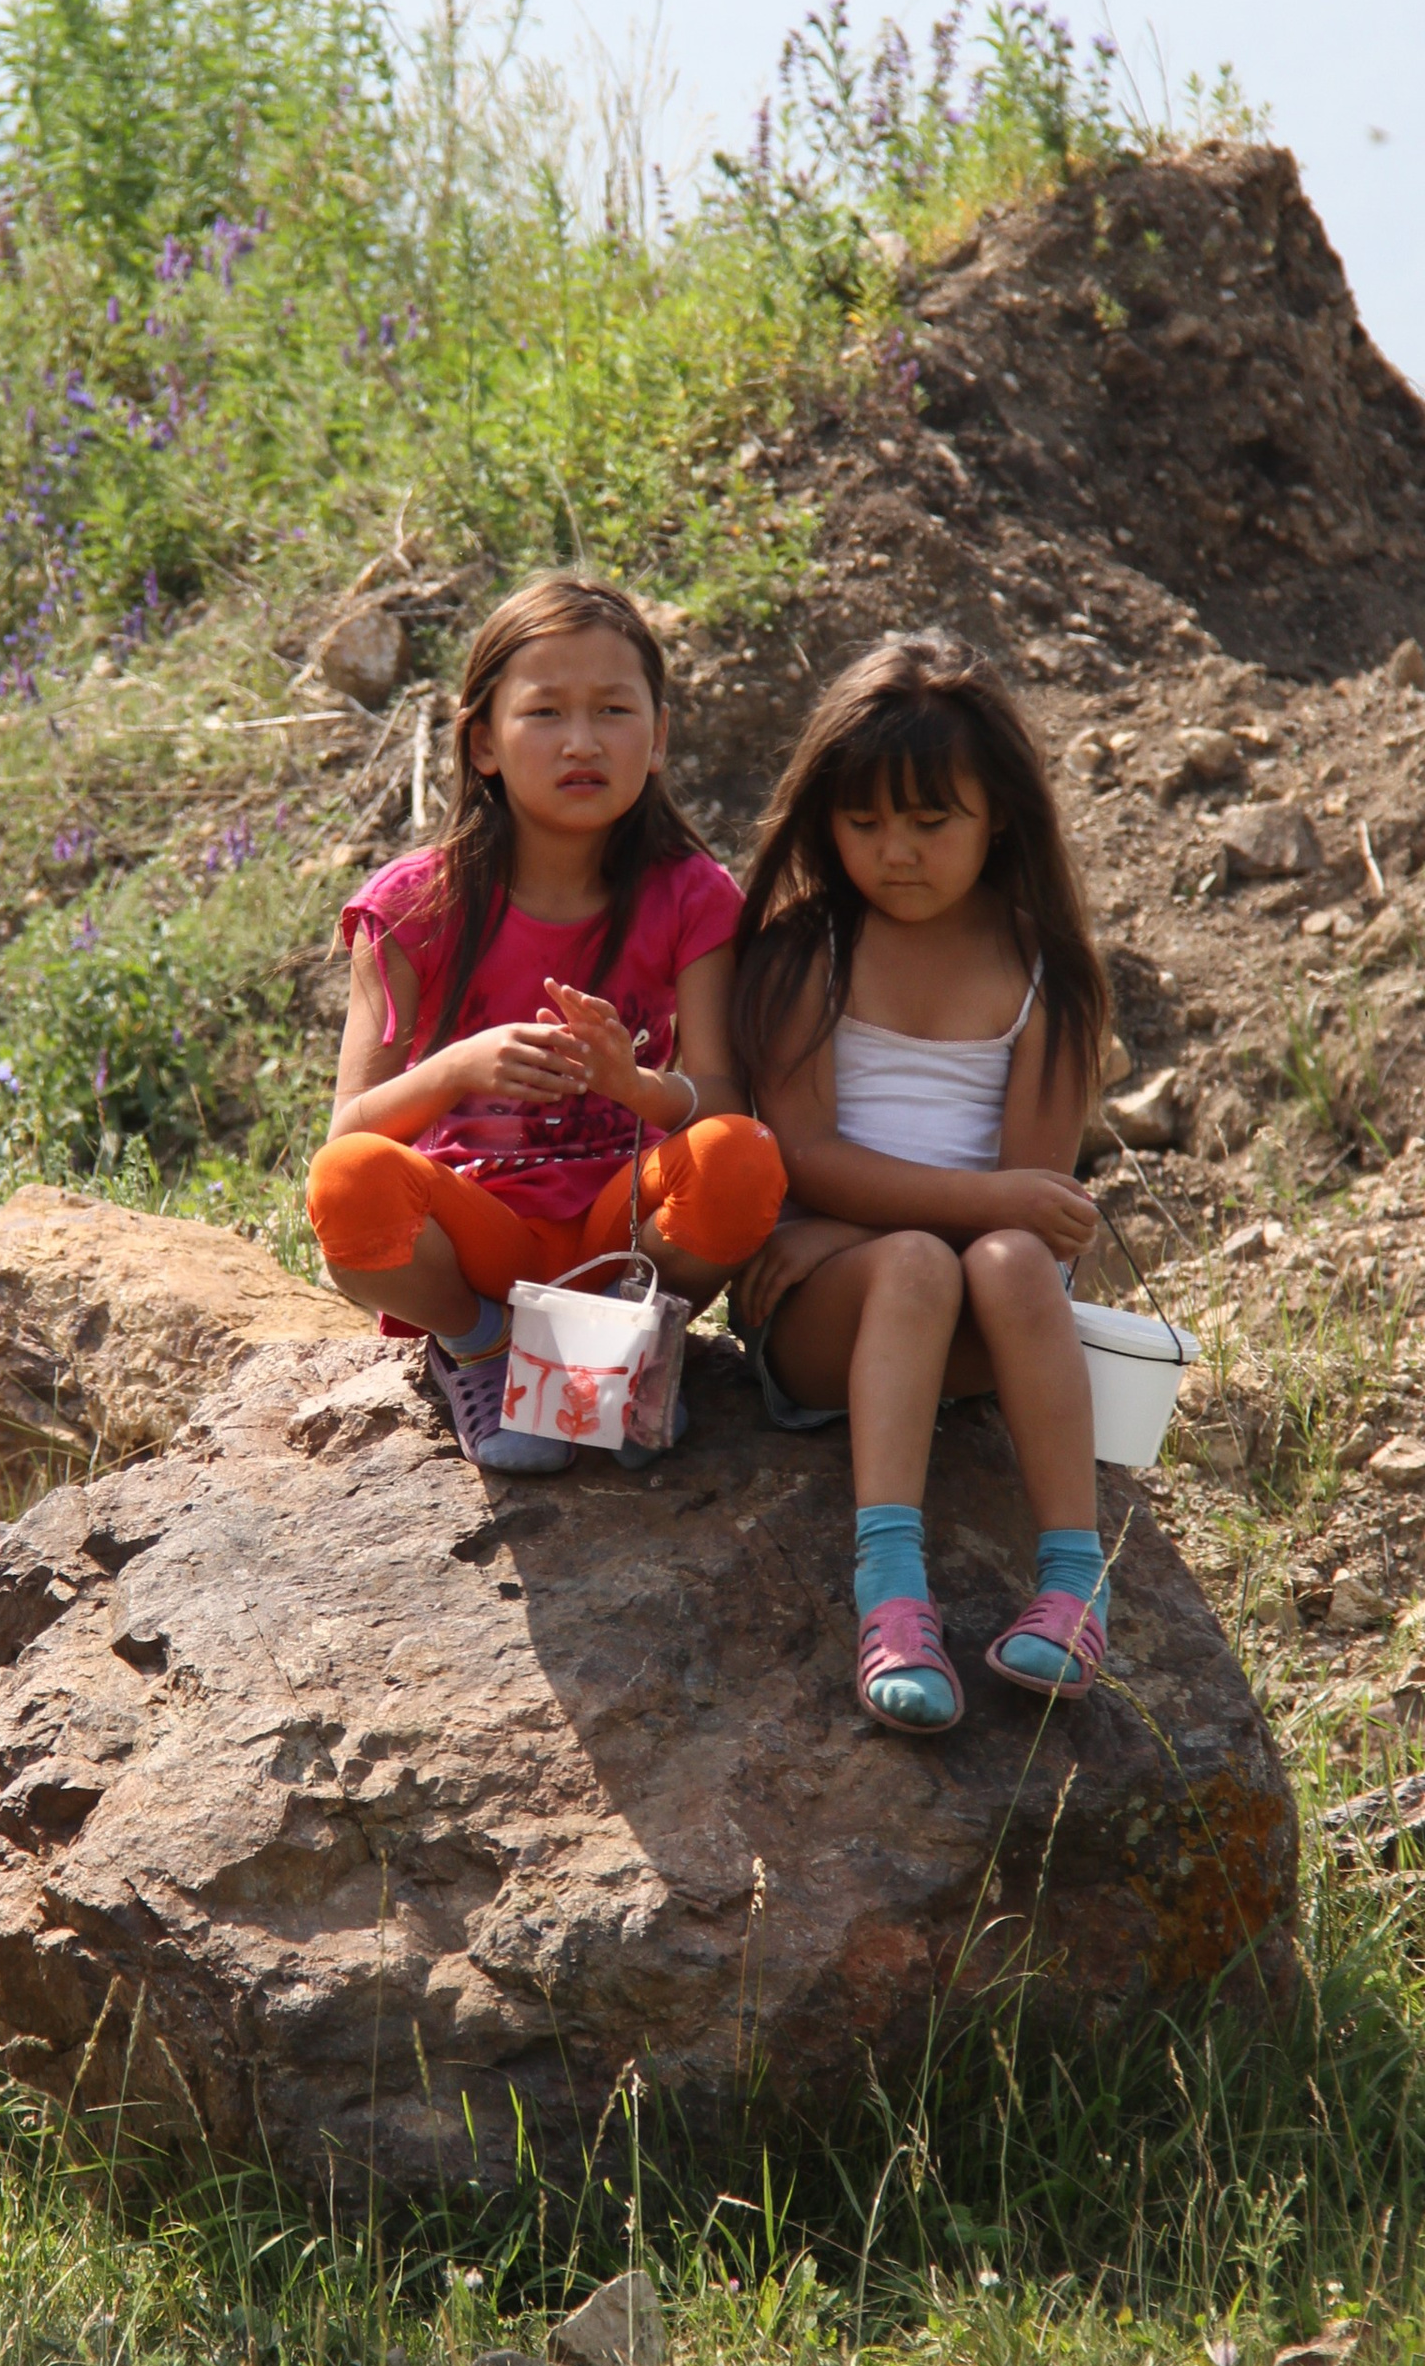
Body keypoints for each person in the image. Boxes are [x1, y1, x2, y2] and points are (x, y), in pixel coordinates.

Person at [306, 573, 787, 1469]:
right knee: (349, 1184)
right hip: (480, 1242)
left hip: (622, 1234)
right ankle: (482, 1347)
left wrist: (634, 1085)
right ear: (483, 742)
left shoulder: (691, 894)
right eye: (545, 714)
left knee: (742, 1157)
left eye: (613, 710)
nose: (581, 742)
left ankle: (629, 1350)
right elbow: (349, 1131)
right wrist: (457, 1069)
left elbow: (722, 1095)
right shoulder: (413, 905)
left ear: (658, 739)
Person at [730, 635, 1112, 1731]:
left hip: (974, 1325)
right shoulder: (810, 955)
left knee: (1010, 1263)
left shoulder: (1047, 971)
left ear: (999, 816)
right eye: (863, 823)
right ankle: (892, 1593)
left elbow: (1032, 1209)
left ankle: (1073, 1583)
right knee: (912, 1264)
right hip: (829, 1321)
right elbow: (800, 1153)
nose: (895, 851)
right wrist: (951, 1210)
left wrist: (987, 1213)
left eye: (930, 820)